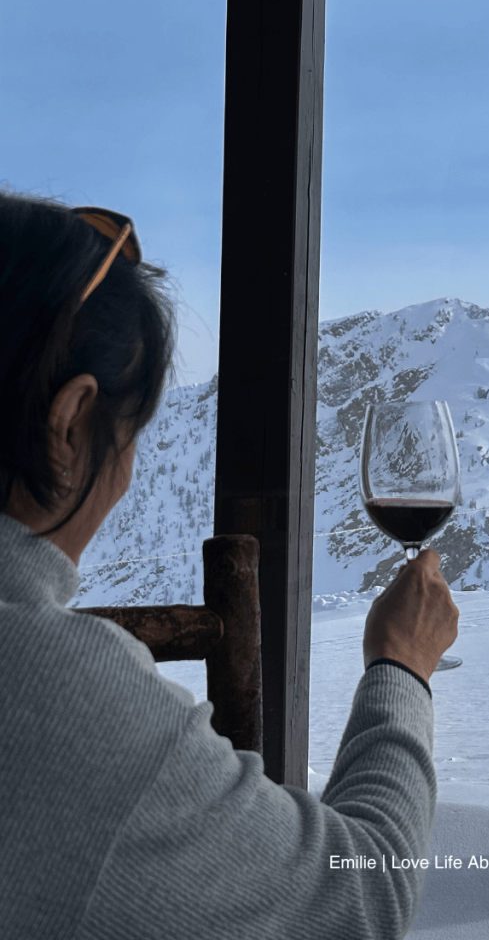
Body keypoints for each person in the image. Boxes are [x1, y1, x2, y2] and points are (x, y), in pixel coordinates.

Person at [0, 191, 459, 939]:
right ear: (70, 420)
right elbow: (359, 897)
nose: (130, 468)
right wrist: (401, 668)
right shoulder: (57, 696)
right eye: (131, 429)